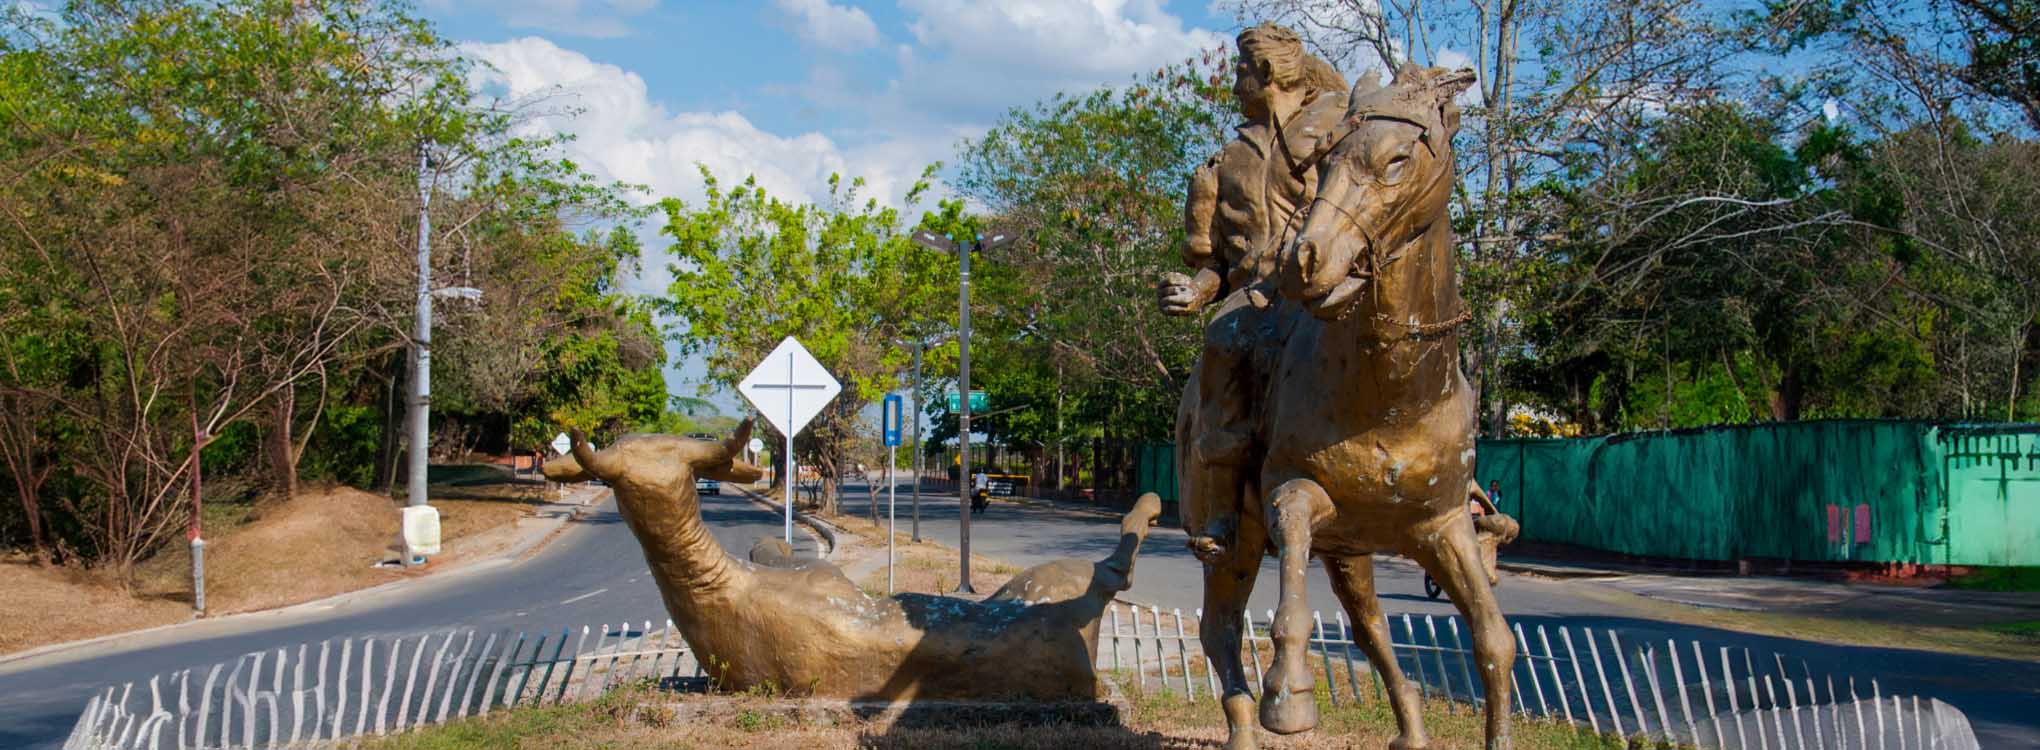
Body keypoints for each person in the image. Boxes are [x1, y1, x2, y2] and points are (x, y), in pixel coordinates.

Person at [1165, 23, 1351, 563]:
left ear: (1266, 72)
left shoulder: (1337, 128)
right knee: (1222, 343)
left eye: (1241, 71)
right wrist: (1195, 292)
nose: (1235, 84)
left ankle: (1459, 491)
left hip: (1328, 282)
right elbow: (1216, 266)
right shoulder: (1228, 161)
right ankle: (1222, 506)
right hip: (1258, 299)